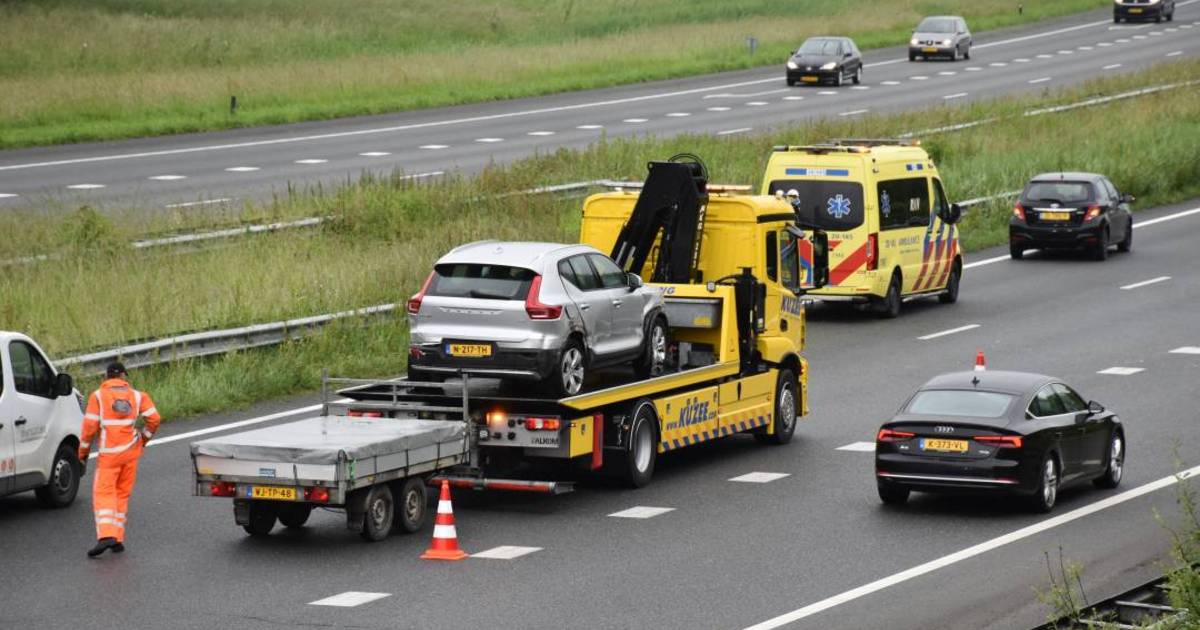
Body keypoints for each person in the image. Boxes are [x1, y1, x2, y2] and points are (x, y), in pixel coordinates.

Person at [78, 361, 161, 558]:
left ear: (106, 377)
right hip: (131, 453)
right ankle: (117, 539)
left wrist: (82, 453)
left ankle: (106, 535)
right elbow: (154, 419)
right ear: (124, 376)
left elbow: (89, 429)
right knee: (122, 494)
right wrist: (144, 439)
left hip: (109, 456)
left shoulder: (97, 396)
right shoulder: (138, 396)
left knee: (104, 493)